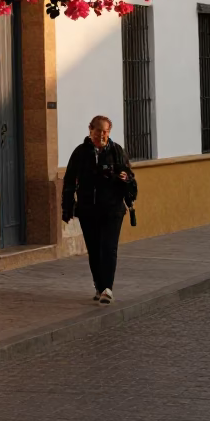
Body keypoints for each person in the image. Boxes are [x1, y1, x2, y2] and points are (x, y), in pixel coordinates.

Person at [61, 115, 136, 304]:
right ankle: (99, 286)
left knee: (108, 248)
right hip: (88, 209)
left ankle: (107, 289)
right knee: (94, 250)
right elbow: (69, 181)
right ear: (90, 130)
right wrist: (67, 208)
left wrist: (124, 177)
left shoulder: (117, 151)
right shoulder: (80, 153)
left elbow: (130, 178)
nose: (102, 135)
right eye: (98, 131)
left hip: (113, 209)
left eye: (106, 132)